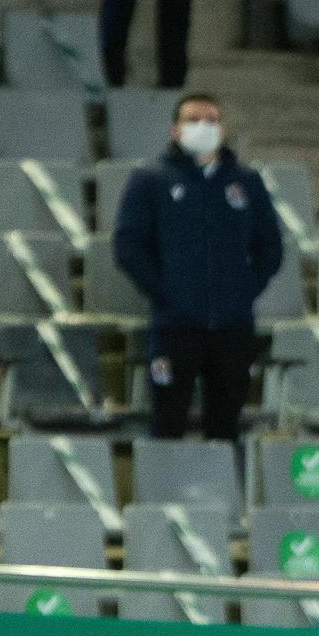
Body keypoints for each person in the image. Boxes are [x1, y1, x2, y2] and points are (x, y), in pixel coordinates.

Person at [113, 92, 283, 442]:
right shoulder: (151, 180)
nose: (203, 126)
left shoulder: (246, 182)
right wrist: (164, 293)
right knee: (167, 424)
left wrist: (243, 292)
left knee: (226, 427)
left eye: (211, 119)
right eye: (193, 120)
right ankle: (164, 495)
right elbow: (128, 246)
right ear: (175, 130)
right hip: (175, 326)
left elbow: (270, 247)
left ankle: (222, 495)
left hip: (233, 327)